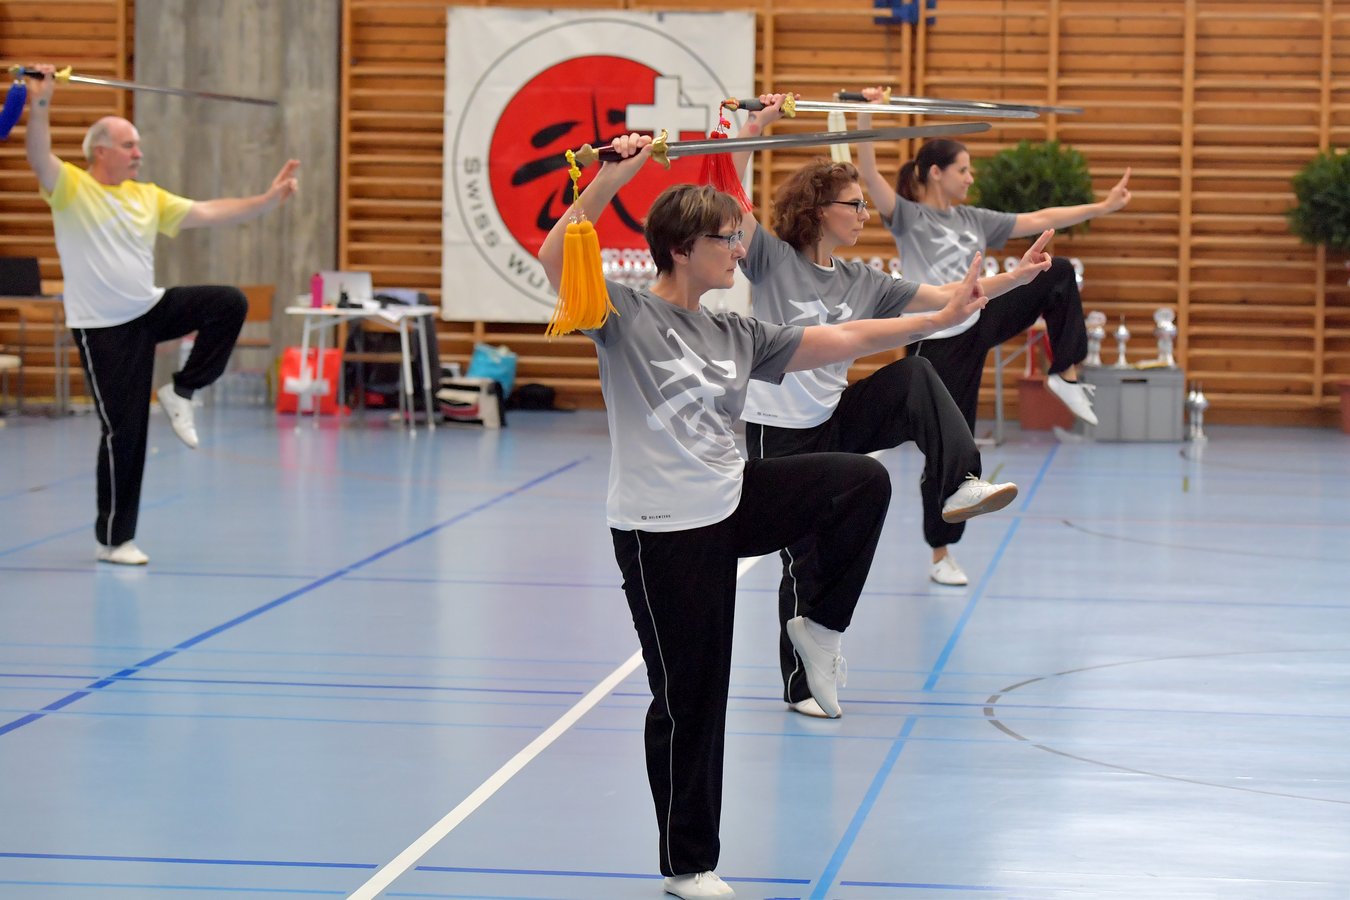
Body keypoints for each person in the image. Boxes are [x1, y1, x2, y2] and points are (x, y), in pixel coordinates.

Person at [536, 133, 992, 900]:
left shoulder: (735, 331)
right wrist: (617, 176)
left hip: (733, 500)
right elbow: (556, 257)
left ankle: (819, 627)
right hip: (662, 531)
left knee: (858, 483)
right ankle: (688, 863)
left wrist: (941, 313)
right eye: (727, 240)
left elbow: (843, 337)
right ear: (682, 249)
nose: (741, 250)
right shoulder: (624, 316)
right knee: (690, 696)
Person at [728, 97, 1048, 692]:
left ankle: (958, 482)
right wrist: (752, 129)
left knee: (915, 376)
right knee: (806, 553)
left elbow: (948, 297)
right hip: (779, 432)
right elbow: (728, 197)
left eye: (864, 204)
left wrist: (1018, 277)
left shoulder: (863, 279)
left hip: (833, 418)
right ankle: (803, 676)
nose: (865, 214)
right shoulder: (771, 260)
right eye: (854, 205)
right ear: (818, 211)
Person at [22, 64, 299, 566]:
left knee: (228, 303)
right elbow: (38, 155)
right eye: (129, 146)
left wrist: (266, 201)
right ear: (101, 151)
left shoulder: (147, 197)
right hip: (103, 330)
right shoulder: (70, 189)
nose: (139, 154)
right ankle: (114, 540)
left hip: (148, 310)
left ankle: (183, 389)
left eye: (139, 146)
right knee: (124, 432)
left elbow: (212, 212)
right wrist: (40, 101)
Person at [853, 88, 1131, 584]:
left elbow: (1041, 220)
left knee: (1056, 271)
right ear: (935, 173)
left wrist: (1103, 207)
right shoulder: (909, 217)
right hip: (937, 341)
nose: (970, 177)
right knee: (947, 447)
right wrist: (866, 115)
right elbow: (869, 174)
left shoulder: (974, 219)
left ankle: (1065, 373)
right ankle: (941, 554)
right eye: (963, 169)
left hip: (980, 317)